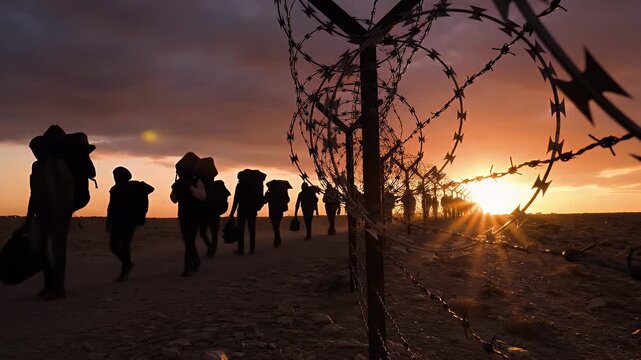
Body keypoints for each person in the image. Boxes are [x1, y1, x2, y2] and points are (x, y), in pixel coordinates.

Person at [22, 125, 96, 300]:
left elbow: (39, 193)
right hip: (47, 210)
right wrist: (28, 219)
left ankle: (57, 288)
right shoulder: (40, 166)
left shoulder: (58, 165)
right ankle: (51, 286)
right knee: (45, 247)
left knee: (55, 247)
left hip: (59, 210)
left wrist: (28, 219)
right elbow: (35, 192)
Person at [106, 167, 154, 282]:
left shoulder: (135, 186)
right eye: (114, 175)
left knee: (124, 245)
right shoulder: (114, 189)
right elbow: (110, 207)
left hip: (130, 221)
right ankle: (127, 263)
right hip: (117, 221)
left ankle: (125, 270)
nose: (115, 178)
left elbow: (150, 189)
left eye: (117, 175)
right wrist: (108, 223)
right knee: (113, 246)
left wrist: (139, 186)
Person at [170, 159, 207, 277]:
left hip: (195, 215)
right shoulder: (179, 183)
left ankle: (188, 267)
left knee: (189, 240)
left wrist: (190, 187)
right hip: (183, 215)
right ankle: (195, 261)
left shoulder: (197, 180)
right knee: (188, 241)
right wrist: (174, 189)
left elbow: (202, 197)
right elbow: (174, 199)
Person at [229, 169, 266, 255]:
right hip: (252, 210)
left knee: (241, 230)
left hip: (242, 210)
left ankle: (241, 250)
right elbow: (260, 197)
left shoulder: (239, 186)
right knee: (252, 229)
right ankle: (252, 249)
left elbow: (235, 201)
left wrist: (231, 213)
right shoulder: (255, 186)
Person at [199, 179, 230, 258]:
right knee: (213, 234)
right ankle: (212, 250)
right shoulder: (221, 191)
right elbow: (224, 205)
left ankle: (211, 249)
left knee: (204, 233)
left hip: (207, 215)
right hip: (213, 215)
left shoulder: (210, 188)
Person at [264, 180, 291, 247]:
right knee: (277, 225)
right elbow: (287, 200)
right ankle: (278, 238)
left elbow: (265, 201)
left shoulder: (270, 193)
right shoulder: (282, 192)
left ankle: (277, 239)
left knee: (275, 226)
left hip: (272, 211)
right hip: (279, 211)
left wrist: (266, 194)